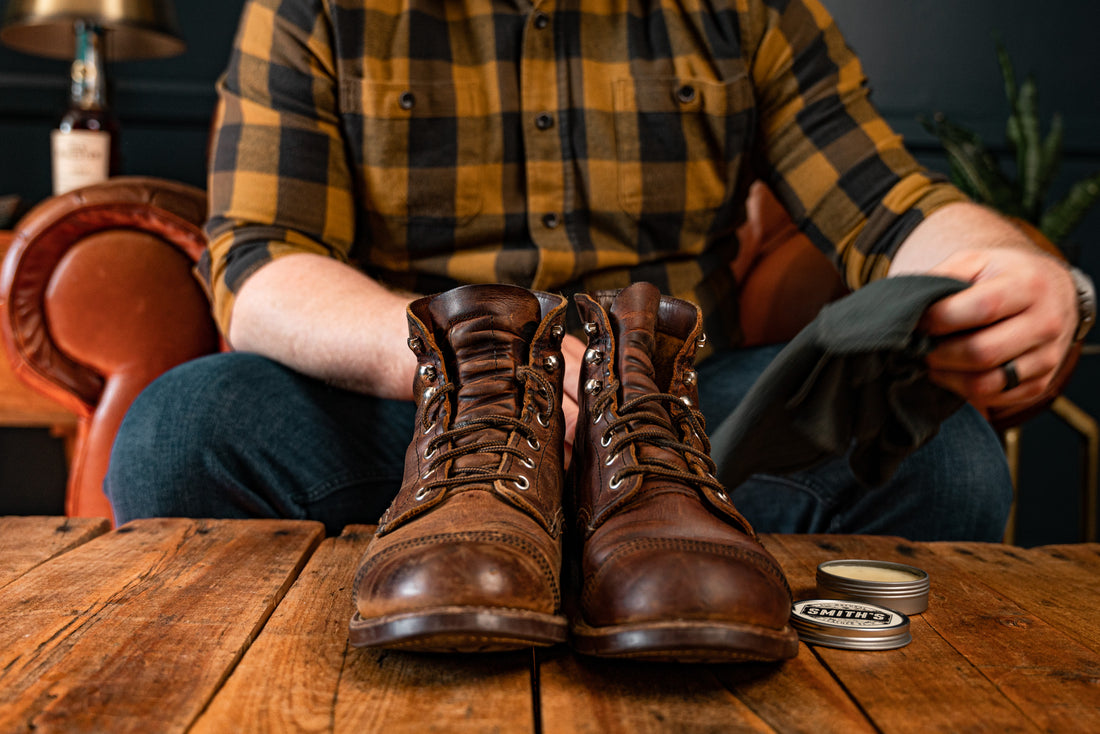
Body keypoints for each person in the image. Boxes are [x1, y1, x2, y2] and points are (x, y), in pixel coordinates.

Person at [105, 0, 1089, 543]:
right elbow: (262, 259)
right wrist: (485, 375)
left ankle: (610, 545)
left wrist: (1009, 266)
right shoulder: (316, 8)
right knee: (179, 434)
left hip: (680, 421)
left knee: (943, 454)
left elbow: (887, 203)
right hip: (422, 411)